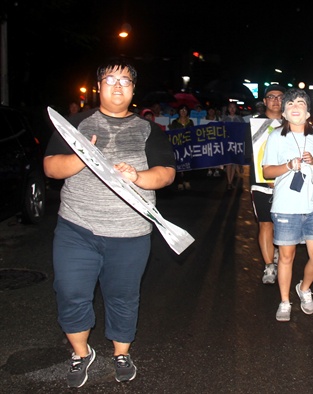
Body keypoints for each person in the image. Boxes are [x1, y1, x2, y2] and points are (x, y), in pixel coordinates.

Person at [43, 58, 176, 388]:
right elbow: (50, 167)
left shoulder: (148, 129)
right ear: (98, 87)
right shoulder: (74, 123)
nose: (118, 86)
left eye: (125, 81)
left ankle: (121, 352)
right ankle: (80, 353)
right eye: (110, 80)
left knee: (122, 296)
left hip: (129, 233)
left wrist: (139, 177)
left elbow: (167, 173)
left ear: (133, 91)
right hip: (77, 228)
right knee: (71, 291)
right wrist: (81, 157)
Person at [262, 88, 313, 322]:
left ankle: (304, 288)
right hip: (285, 206)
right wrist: (288, 166)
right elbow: (267, 171)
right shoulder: (275, 137)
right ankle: (284, 301)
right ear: (283, 112)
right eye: (290, 103)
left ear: (307, 112)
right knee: (286, 256)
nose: (295, 106)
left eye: (301, 103)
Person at [250, 84, 286, 284]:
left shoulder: (293, 124)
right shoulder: (252, 125)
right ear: (264, 101)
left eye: (280, 97)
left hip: (286, 184)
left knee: (283, 224)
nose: (275, 100)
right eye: (271, 97)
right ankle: (269, 266)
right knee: (265, 223)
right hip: (260, 182)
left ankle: (281, 254)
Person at [169, 104, 195, 190]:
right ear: (178, 111)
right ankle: (179, 182)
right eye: (181, 110)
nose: (183, 112)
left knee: (188, 163)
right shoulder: (175, 122)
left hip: (187, 146)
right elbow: (172, 134)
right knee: (178, 164)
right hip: (178, 146)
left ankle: (187, 181)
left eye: (185, 110)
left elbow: (193, 133)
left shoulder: (190, 122)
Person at [222, 102, 245, 190]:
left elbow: (243, 130)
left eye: (234, 107)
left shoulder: (240, 119)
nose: (232, 109)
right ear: (228, 109)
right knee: (228, 163)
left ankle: (231, 181)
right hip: (227, 143)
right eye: (230, 107)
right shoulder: (225, 119)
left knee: (234, 163)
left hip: (237, 144)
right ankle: (229, 182)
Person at [202, 106, 222, 177]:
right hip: (207, 139)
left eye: (212, 110)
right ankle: (209, 169)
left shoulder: (218, 119)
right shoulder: (204, 119)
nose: (211, 111)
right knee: (208, 155)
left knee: (216, 154)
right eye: (209, 110)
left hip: (216, 139)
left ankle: (216, 170)